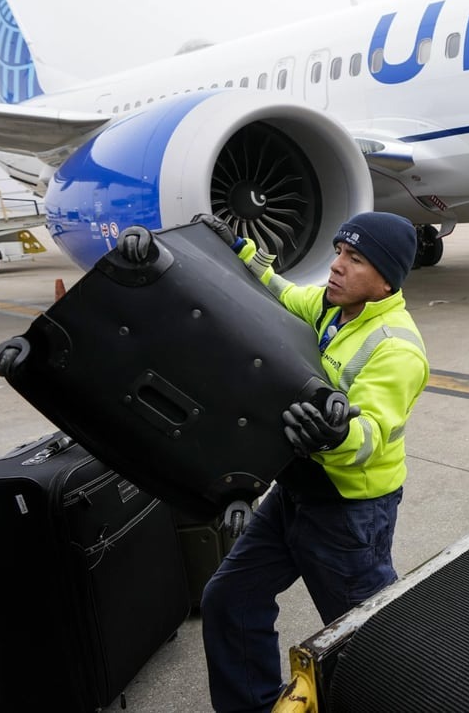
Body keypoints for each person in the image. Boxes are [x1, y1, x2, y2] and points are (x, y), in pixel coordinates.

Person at [119, 211, 429, 713]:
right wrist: (232, 248)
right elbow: (278, 291)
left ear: (387, 277)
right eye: (337, 252)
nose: (336, 266)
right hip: (295, 492)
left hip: (348, 512)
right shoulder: (330, 307)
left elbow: (372, 432)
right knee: (229, 599)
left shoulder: (397, 348)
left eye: (354, 259)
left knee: (363, 639)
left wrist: (335, 433)